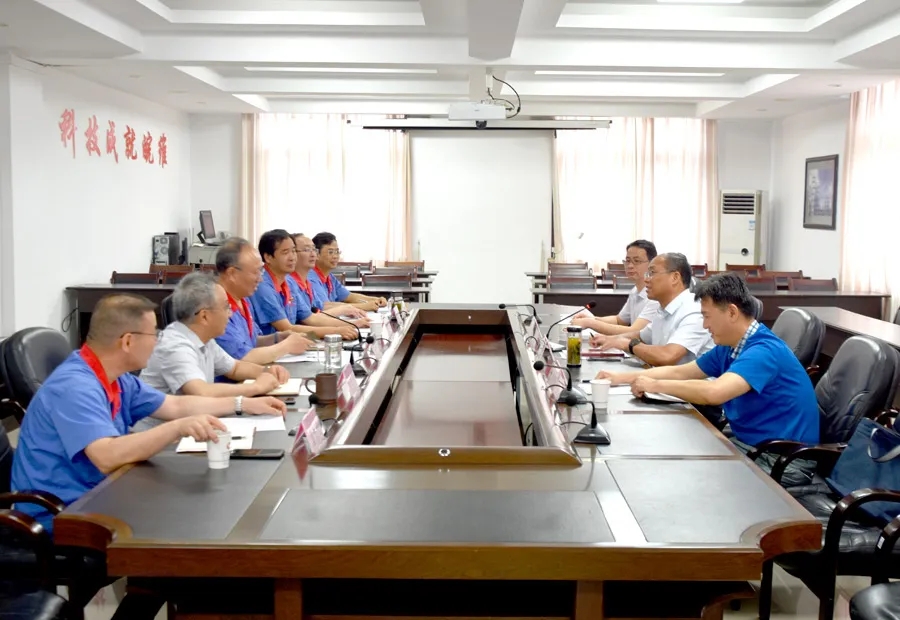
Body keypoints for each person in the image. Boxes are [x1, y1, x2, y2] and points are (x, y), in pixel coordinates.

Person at [10, 294, 286, 530]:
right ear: (128, 341)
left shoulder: (116, 378)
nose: (157, 341)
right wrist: (176, 428)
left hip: (104, 492)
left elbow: (176, 405)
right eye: (154, 333)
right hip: (63, 516)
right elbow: (106, 456)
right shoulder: (75, 386)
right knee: (196, 520)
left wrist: (243, 403)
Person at [595, 273, 819, 486]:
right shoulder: (730, 346)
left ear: (732, 312)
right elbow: (681, 372)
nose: (704, 325)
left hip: (781, 461)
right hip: (752, 445)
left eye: (707, 316)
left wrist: (654, 385)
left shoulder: (763, 351)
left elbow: (714, 393)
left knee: (684, 475)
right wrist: (620, 378)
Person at [137, 273, 292, 430]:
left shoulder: (204, 338)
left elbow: (235, 368)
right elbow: (200, 392)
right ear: (204, 316)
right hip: (160, 438)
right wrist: (255, 388)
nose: (230, 314)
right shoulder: (175, 345)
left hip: (191, 428)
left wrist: (267, 371)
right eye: (226, 307)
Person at [592, 252, 713, 366]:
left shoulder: (694, 311)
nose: (646, 279)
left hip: (690, 381)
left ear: (675, 277)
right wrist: (609, 339)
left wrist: (627, 344)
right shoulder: (664, 309)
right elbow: (641, 336)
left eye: (652, 273)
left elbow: (668, 355)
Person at [215, 237, 315, 363]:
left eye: (261, 271)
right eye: (255, 272)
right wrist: (286, 346)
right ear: (232, 273)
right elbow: (243, 357)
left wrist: (278, 338)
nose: (260, 278)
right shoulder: (216, 308)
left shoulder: (243, 299)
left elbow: (252, 341)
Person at [247, 229, 358, 340]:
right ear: (268, 257)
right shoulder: (263, 286)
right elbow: (286, 328)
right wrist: (336, 331)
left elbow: (310, 318)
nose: (292, 257)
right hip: (274, 347)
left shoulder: (289, 282)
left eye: (293, 251)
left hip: (294, 342)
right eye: (285, 252)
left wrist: (353, 325)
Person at [572, 240, 660, 335]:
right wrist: (592, 318)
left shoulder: (656, 296)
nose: (630, 266)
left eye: (636, 261)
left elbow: (635, 332)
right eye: (628, 261)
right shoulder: (635, 291)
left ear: (652, 264)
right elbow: (619, 321)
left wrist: (590, 323)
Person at [288, 233, 370, 332]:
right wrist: (350, 325)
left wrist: (348, 311)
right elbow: (309, 320)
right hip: (298, 336)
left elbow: (319, 309)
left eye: (314, 249)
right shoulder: (290, 283)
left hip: (306, 334)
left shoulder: (306, 283)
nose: (313, 254)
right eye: (307, 250)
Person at [309, 231, 388, 312]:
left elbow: (349, 296)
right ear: (316, 254)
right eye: (331, 252)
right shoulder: (311, 278)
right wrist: (364, 306)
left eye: (337, 252)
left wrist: (376, 300)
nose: (335, 256)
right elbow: (326, 306)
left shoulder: (329, 277)